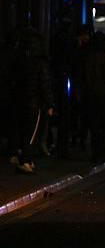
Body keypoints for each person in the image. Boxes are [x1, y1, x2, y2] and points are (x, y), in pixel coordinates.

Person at [9, 27, 55, 174]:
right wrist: (49, 103)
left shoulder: (18, 59)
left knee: (23, 130)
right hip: (35, 101)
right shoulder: (40, 62)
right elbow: (44, 83)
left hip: (19, 99)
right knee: (33, 132)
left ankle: (23, 156)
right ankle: (26, 160)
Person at [83, 34, 105, 163]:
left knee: (94, 126)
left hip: (90, 95)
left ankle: (95, 154)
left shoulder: (88, 58)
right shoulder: (104, 58)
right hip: (104, 94)